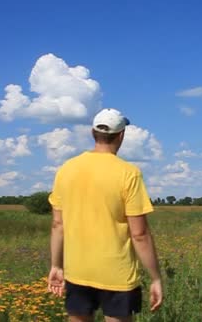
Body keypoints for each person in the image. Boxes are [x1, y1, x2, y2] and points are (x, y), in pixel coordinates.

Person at [47, 108, 162, 322]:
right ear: (121, 136)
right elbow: (139, 234)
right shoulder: (129, 173)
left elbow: (57, 224)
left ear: (93, 134)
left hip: (77, 271)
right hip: (117, 273)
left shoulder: (66, 169)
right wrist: (156, 278)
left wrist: (56, 265)